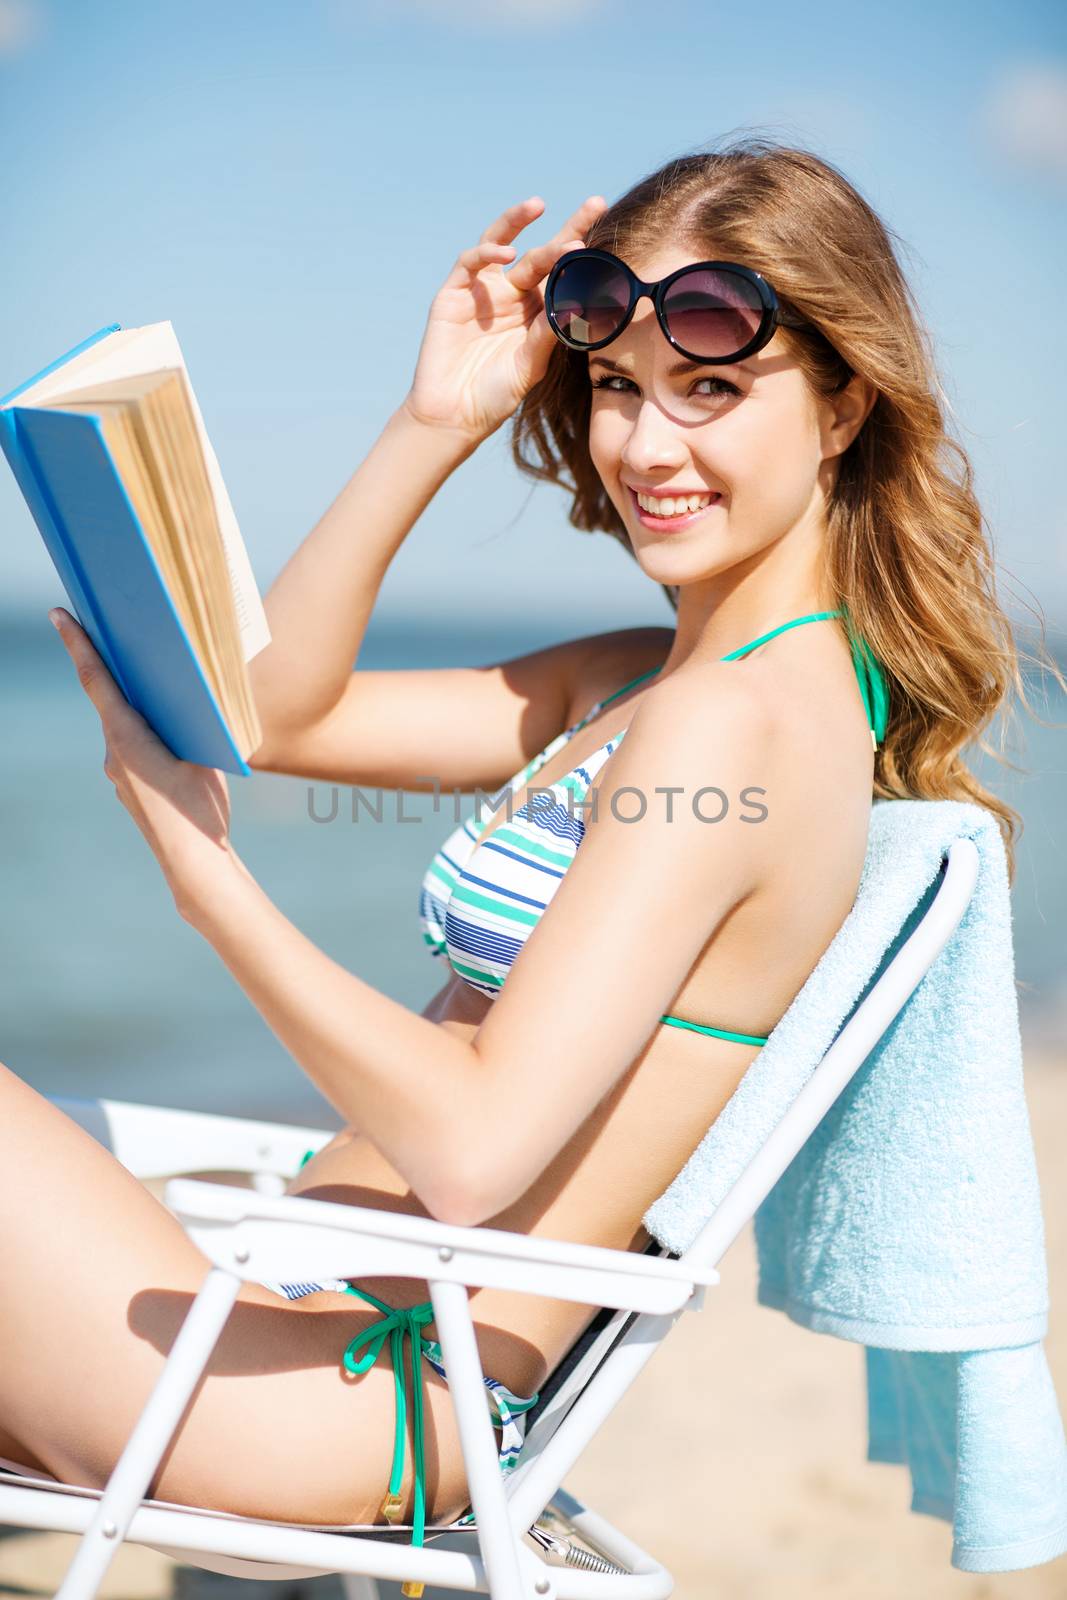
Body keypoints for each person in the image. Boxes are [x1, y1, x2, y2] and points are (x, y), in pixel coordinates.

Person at [2, 137, 1057, 1544]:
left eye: (711, 391)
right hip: (296, 1326)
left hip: (362, 1396)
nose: (642, 446)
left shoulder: (735, 730)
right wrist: (434, 423)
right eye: (616, 388)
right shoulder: (645, 684)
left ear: (845, 406)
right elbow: (264, 710)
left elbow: (475, 1146)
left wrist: (205, 879)